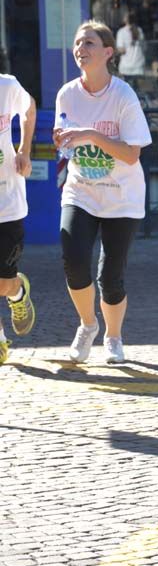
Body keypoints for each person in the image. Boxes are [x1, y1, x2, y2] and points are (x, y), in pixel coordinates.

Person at [53, 20, 152, 365]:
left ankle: (113, 336)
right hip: (80, 190)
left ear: (108, 52)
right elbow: (65, 139)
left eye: (89, 43)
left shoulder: (123, 94)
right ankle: (87, 325)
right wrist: (63, 142)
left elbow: (131, 153)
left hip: (121, 197)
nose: (81, 48)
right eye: (78, 43)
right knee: (74, 261)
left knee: (110, 276)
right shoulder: (67, 93)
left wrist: (92, 135)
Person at [0, 73, 37, 365]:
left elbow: (29, 107)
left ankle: (18, 291)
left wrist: (24, 150)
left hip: (7, 202)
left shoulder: (6, 85)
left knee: (2, 283)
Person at [116, 12, 146, 79]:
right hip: (138, 65)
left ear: (126, 20)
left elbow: (122, 50)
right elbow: (144, 47)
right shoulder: (140, 30)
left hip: (126, 67)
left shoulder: (121, 32)